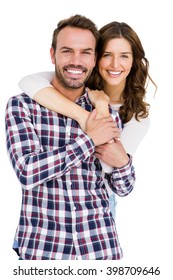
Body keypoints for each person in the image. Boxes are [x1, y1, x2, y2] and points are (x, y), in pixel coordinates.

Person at [5, 15, 135, 260]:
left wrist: (123, 162)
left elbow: (124, 188)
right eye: (67, 51)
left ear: (94, 59)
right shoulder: (22, 106)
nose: (76, 61)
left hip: (101, 250)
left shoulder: (104, 112)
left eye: (86, 52)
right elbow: (27, 171)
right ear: (53, 55)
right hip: (43, 251)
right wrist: (89, 141)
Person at [18, 21, 157, 218]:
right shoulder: (77, 81)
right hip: (51, 201)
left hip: (98, 205)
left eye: (124, 56)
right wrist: (83, 116)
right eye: (107, 55)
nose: (115, 64)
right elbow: (28, 82)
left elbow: (109, 166)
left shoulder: (136, 117)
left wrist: (101, 108)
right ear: (95, 58)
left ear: (133, 61)